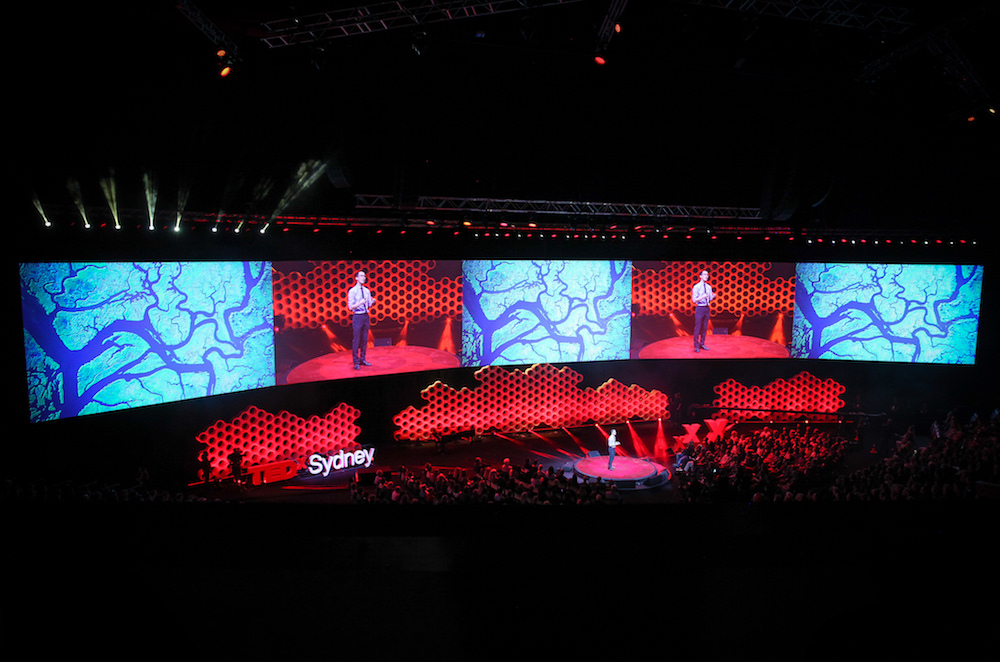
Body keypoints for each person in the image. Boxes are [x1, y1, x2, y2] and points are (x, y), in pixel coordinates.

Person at [347, 270, 375, 369]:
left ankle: (363, 359)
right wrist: (360, 303)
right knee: (356, 339)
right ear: (356, 278)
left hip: (365, 316)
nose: (363, 278)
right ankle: (356, 361)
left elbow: (368, 305)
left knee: (364, 339)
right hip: (357, 316)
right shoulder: (352, 291)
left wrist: (372, 302)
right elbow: (350, 307)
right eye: (361, 276)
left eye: (364, 276)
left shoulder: (367, 290)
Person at [692, 269, 715, 353]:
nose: (706, 276)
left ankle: (702, 343)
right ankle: (696, 345)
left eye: (707, 275)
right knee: (697, 327)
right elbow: (694, 300)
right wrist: (702, 297)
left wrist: (713, 297)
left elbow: (709, 299)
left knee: (705, 327)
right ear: (700, 276)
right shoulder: (696, 287)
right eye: (705, 274)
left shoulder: (709, 287)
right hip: (700, 308)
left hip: (706, 308)